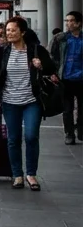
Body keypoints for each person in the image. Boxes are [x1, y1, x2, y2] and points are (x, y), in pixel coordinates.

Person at [0, 16, 58, 190]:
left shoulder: (36, 50)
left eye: (13, 30)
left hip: (31, 100)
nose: (9, 33)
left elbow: (52, 68)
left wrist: (40, 64)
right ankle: (17, 175)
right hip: (9, 101)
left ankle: (31, 174)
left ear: (22, 32)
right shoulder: (3, 51)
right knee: (13, 139)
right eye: (7, 31)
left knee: (31, 136)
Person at [50, 11, 83, 145]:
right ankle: (69, 133)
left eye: (71, 21)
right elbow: (52, 56)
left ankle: (81, 130)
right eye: (67, 21)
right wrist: (54, 72)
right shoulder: (60, 38)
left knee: (82, 108)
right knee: (67, 108)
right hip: (65, 78)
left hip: (81, 78)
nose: (68, 23)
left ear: (79, 23)